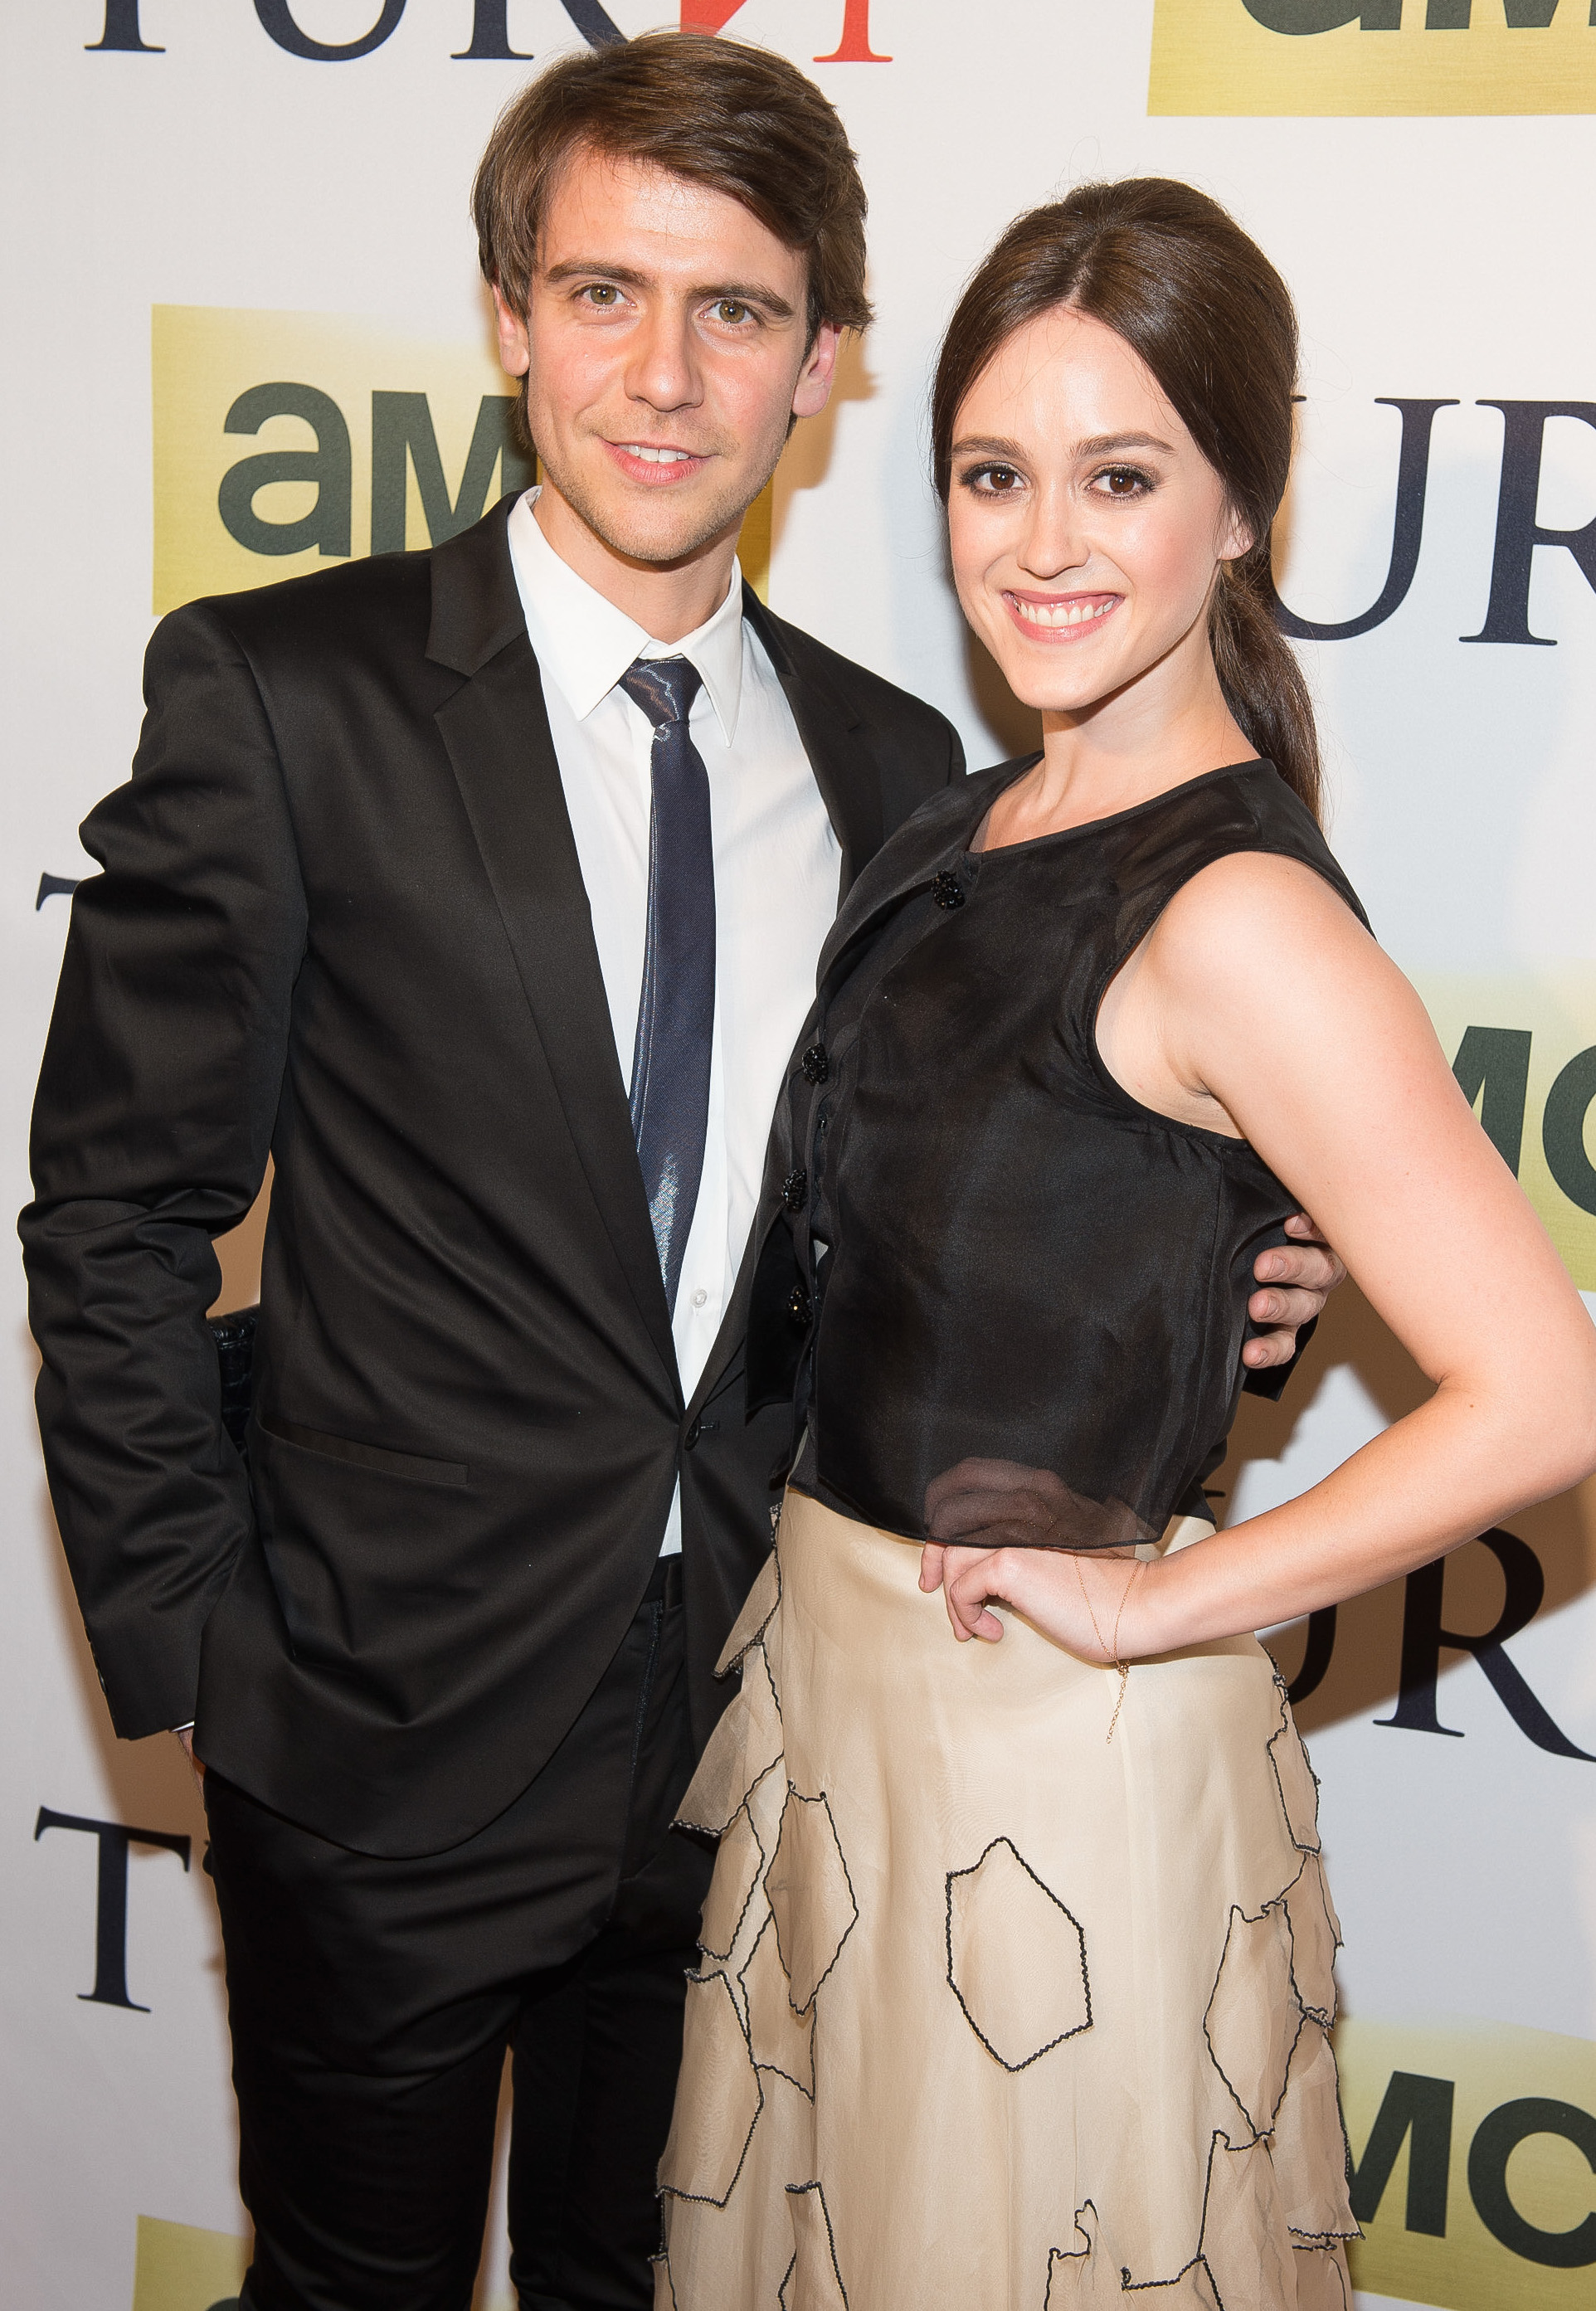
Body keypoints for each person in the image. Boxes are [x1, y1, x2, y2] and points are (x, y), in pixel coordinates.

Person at [22, 41, 1339, 2311]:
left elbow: (899, 1227)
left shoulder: (897, 757)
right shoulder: (281, 693)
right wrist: (206, 1663)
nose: (661, 372)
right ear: (507, 315)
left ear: (822, 362)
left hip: (766, 1729)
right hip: (376, 1733)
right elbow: (113, 1213)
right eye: (602, 292)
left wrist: (1172, 1291)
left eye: (734, 310)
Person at [655, 178, 1596, 2310]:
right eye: (991, 473)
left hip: (1043, 1777)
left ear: (1239, 505)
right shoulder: (965, 819)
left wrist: (1164, 1603)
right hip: (832, 1705)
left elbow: (1543, 1387)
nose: (1042, 541)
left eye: (1121, 474)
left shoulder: (1240, 912)